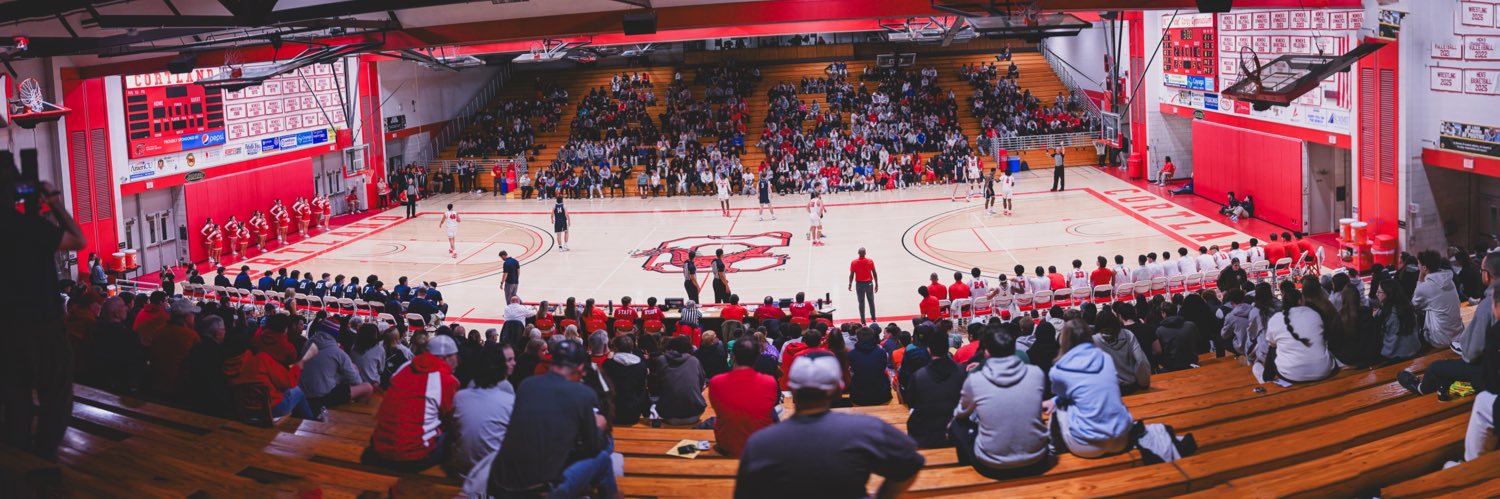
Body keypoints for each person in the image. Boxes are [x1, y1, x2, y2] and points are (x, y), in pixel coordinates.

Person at [735, 352, 924, 498]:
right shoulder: (866, 429)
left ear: (791, 388)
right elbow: (911, 462)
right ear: (837, 389)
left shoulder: (759, 443)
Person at [490, 340, 617, 497]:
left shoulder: (527, 385)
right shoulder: (583, 394)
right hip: (540, 491)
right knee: (604, 457)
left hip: (501, 484)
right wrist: (599, 427)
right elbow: (593, 448)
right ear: (580, 369)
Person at [950, 322, 1051, 477]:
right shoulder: (1036, 373)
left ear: (987, 353)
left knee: (956, 424)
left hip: (993, 465)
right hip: (1038, 459)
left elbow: (960, 414)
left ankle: (964, 476)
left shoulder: (976, 379)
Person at [364, 335, 460, 472]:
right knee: (457, 432)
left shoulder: (406, 366)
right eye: (456, 356)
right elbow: (450, 419)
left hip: (380, 447)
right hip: (412, 457)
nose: (457, 360)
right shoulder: (448, 380)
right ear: (446, 358)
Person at [451, 344, 516, 479]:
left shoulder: (461, 396)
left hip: (461, 469)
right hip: (489, 475)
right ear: (500, 365)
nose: (514, 363)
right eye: (509, 360)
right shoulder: (509, 399)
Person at [709, 338, 781, 457]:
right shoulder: (769, 382)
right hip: (760, 446)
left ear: (733, 357)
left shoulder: (716, 382)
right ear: (756, 358)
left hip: (727, 444)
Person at [1258, 282, 1336, 384]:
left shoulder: (1275, 319)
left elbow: (1271, 343)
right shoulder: (1314, 313)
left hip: (1292, 374)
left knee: (1273, 348)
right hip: (1324, 370)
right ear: (1300, 301)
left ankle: (1266, 379)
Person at [905, 327, 967, 448]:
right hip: (956, 432)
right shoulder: (962, 371)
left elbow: (911, 403)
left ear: (929, 350)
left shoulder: (918, 376)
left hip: (926, 434)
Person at [300, 319, 375, 411]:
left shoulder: (306, 345)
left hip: (303, 393)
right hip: (322, 397)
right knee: (367, 387)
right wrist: (354, 369)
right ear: (335, 335)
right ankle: (355, 417)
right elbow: (357, 381)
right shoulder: (338, 353)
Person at [148, 297, 202, 399]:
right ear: (186, 317)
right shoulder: (191, 336)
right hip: (179, 389)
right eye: (193, 314)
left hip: (155, 384)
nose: (194, 317)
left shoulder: (159, 331)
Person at [1412, 250, 1464, 349]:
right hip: (1458, 334)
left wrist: (1420, 279)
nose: (1418, 267)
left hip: (1440, 340)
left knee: (1419, 312)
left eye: (1418, 264)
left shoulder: (1425, 287)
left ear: (1424, 268)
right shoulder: (1449, 280)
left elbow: (1414, 305)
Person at [1092, 309, 1152, 392]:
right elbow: (1141, 360)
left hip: (1109, 390)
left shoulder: (1094, 340)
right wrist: (1143, 382)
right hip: (1131, 386)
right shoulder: (1128, 334)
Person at [847, 327, 892, 406]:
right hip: (881, 394)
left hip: (859, 395)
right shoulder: (882, 353)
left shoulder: (851, 354)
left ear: (858, 338)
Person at [1155, 302, 1199, 373]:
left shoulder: (1159, 331)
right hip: (1191, 362)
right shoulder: (1190, 325)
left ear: (1164, 313)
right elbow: (1197, 341)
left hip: (1171, 366)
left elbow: (1158, 351)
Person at [849, 247, 879, 324]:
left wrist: (850, 284)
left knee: (861, 303)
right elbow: (874, 273)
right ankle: (874, 319)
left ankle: (863, 321)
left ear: (858, 253)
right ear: (865, 253)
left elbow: (851, 275)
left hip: (859, 284)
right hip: (869, 284)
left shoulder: (854, 262)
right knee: (871, 301)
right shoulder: (870, 261)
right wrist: (876, 284)